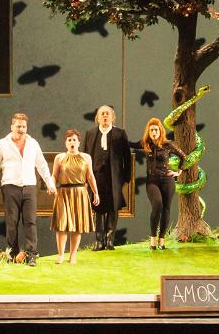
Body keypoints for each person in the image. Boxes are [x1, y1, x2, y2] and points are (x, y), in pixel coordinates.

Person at [0, 112, 57, 267]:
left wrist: (50, 183)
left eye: (23, 126)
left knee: (30, 221)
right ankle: (12, 254)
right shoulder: (2, 144)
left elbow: (42, 165)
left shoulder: (33, 143)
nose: (21, 129)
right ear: (12, 126)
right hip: (10, 186)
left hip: (29, 186)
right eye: (18, 126)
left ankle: (31, 254)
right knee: (12, 222)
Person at [131, 117, 185, 249]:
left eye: (156, 130)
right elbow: (130, 144)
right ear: (148, 132)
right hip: (152, 181)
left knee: (166, 208)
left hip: (167, 180)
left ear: (160, 131)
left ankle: (162, 239)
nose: (154, 132)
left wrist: (178, 172)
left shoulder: (168, 144)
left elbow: (182, 156)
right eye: (151, 130)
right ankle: (153, 239)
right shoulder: (145, 143)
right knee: (157, 205)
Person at [83, 105, 131, 250]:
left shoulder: (120, 133)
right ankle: (99, 241)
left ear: (112, 117)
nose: (105, 116)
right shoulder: (90, 133)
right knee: (97, 207)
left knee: (113, 207)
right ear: (97, 117)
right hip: (96, 176)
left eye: (107, 114)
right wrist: (85, 178)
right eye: (102, 114)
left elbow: (127, 158)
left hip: (114, 177)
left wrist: (126, 178)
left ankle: (110, 240)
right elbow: (85, 156)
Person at [50, 129, 99, 264]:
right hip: (63, 193)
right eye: (69, 140)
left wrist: (95, 192)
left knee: (77, 226)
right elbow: (54, 176)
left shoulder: (86, 157)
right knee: (62, 225)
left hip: (80, 193)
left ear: (78, 142)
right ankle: (60, 254)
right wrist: (51, 185)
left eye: (74, 140)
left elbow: (90, 176)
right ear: (66, 143)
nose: (72, 142)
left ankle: (73, 255)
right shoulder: (59, 158)